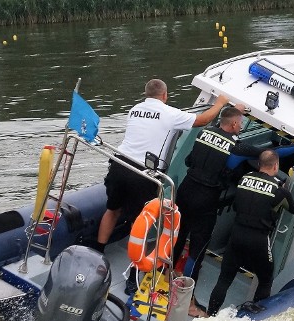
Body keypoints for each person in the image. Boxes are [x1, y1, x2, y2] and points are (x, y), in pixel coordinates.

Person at [93, 78, 232, 294]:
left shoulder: (135, 109)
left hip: (119, 164)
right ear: (165, 96)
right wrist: (220, 102)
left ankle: (97, 255)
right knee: (142, 223)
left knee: (112, 210)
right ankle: (134, 275)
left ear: (145, 94)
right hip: (143, 172)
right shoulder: (169, 113)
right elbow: (203, 119)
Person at [173, 107, 294, 316]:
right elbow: (272, 154)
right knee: (197, 251)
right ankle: (188, 302)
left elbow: (188, 161)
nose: (240, 126)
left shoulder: (204, 133)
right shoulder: (236, 148)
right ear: (236, 125)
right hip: (206, 199)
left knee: (179, 235)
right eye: (240, 123)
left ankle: (165, 277)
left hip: (185, 190)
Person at [206, 150, 294, 316]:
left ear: (259, 164)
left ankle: (210, 314)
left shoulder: (244, 179)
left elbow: (237, 205)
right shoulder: (280, 191)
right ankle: (254, 317)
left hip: (236, 235)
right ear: (275, 166)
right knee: (266, 279)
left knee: (224, 279)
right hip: (259, 239)